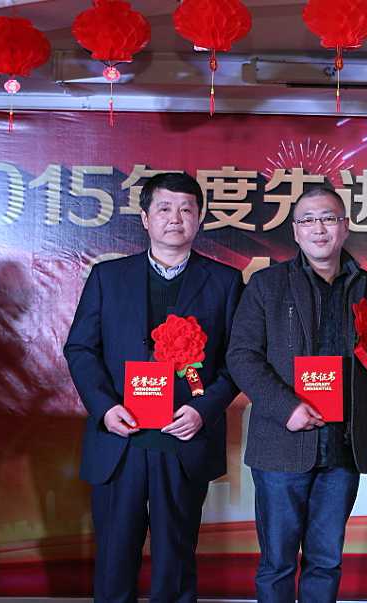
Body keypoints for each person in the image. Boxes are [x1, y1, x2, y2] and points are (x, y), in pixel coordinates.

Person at [63, 172, 243, 602]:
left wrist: (203, 409)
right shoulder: (108, 277)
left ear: (199, 219)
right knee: (114, 557)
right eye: (164, 208)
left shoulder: (224, 282)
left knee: (176, 559)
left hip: (183, 439)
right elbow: (81, 349)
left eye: (186, 209)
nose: (175, 218)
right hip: (120, 440)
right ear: (145, 218)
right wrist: (105, 407)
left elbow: (238, 359)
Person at [225, 185, 367, 603]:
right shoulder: (266, 285)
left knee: (326, 561)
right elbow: (242, 356)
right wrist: (287, 407)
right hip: (282, 444)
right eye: (309, 220)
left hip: (343, 448)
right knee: (277, 563)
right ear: (295, 231)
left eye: (329, 218)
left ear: (345, 227)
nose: (319, 229)